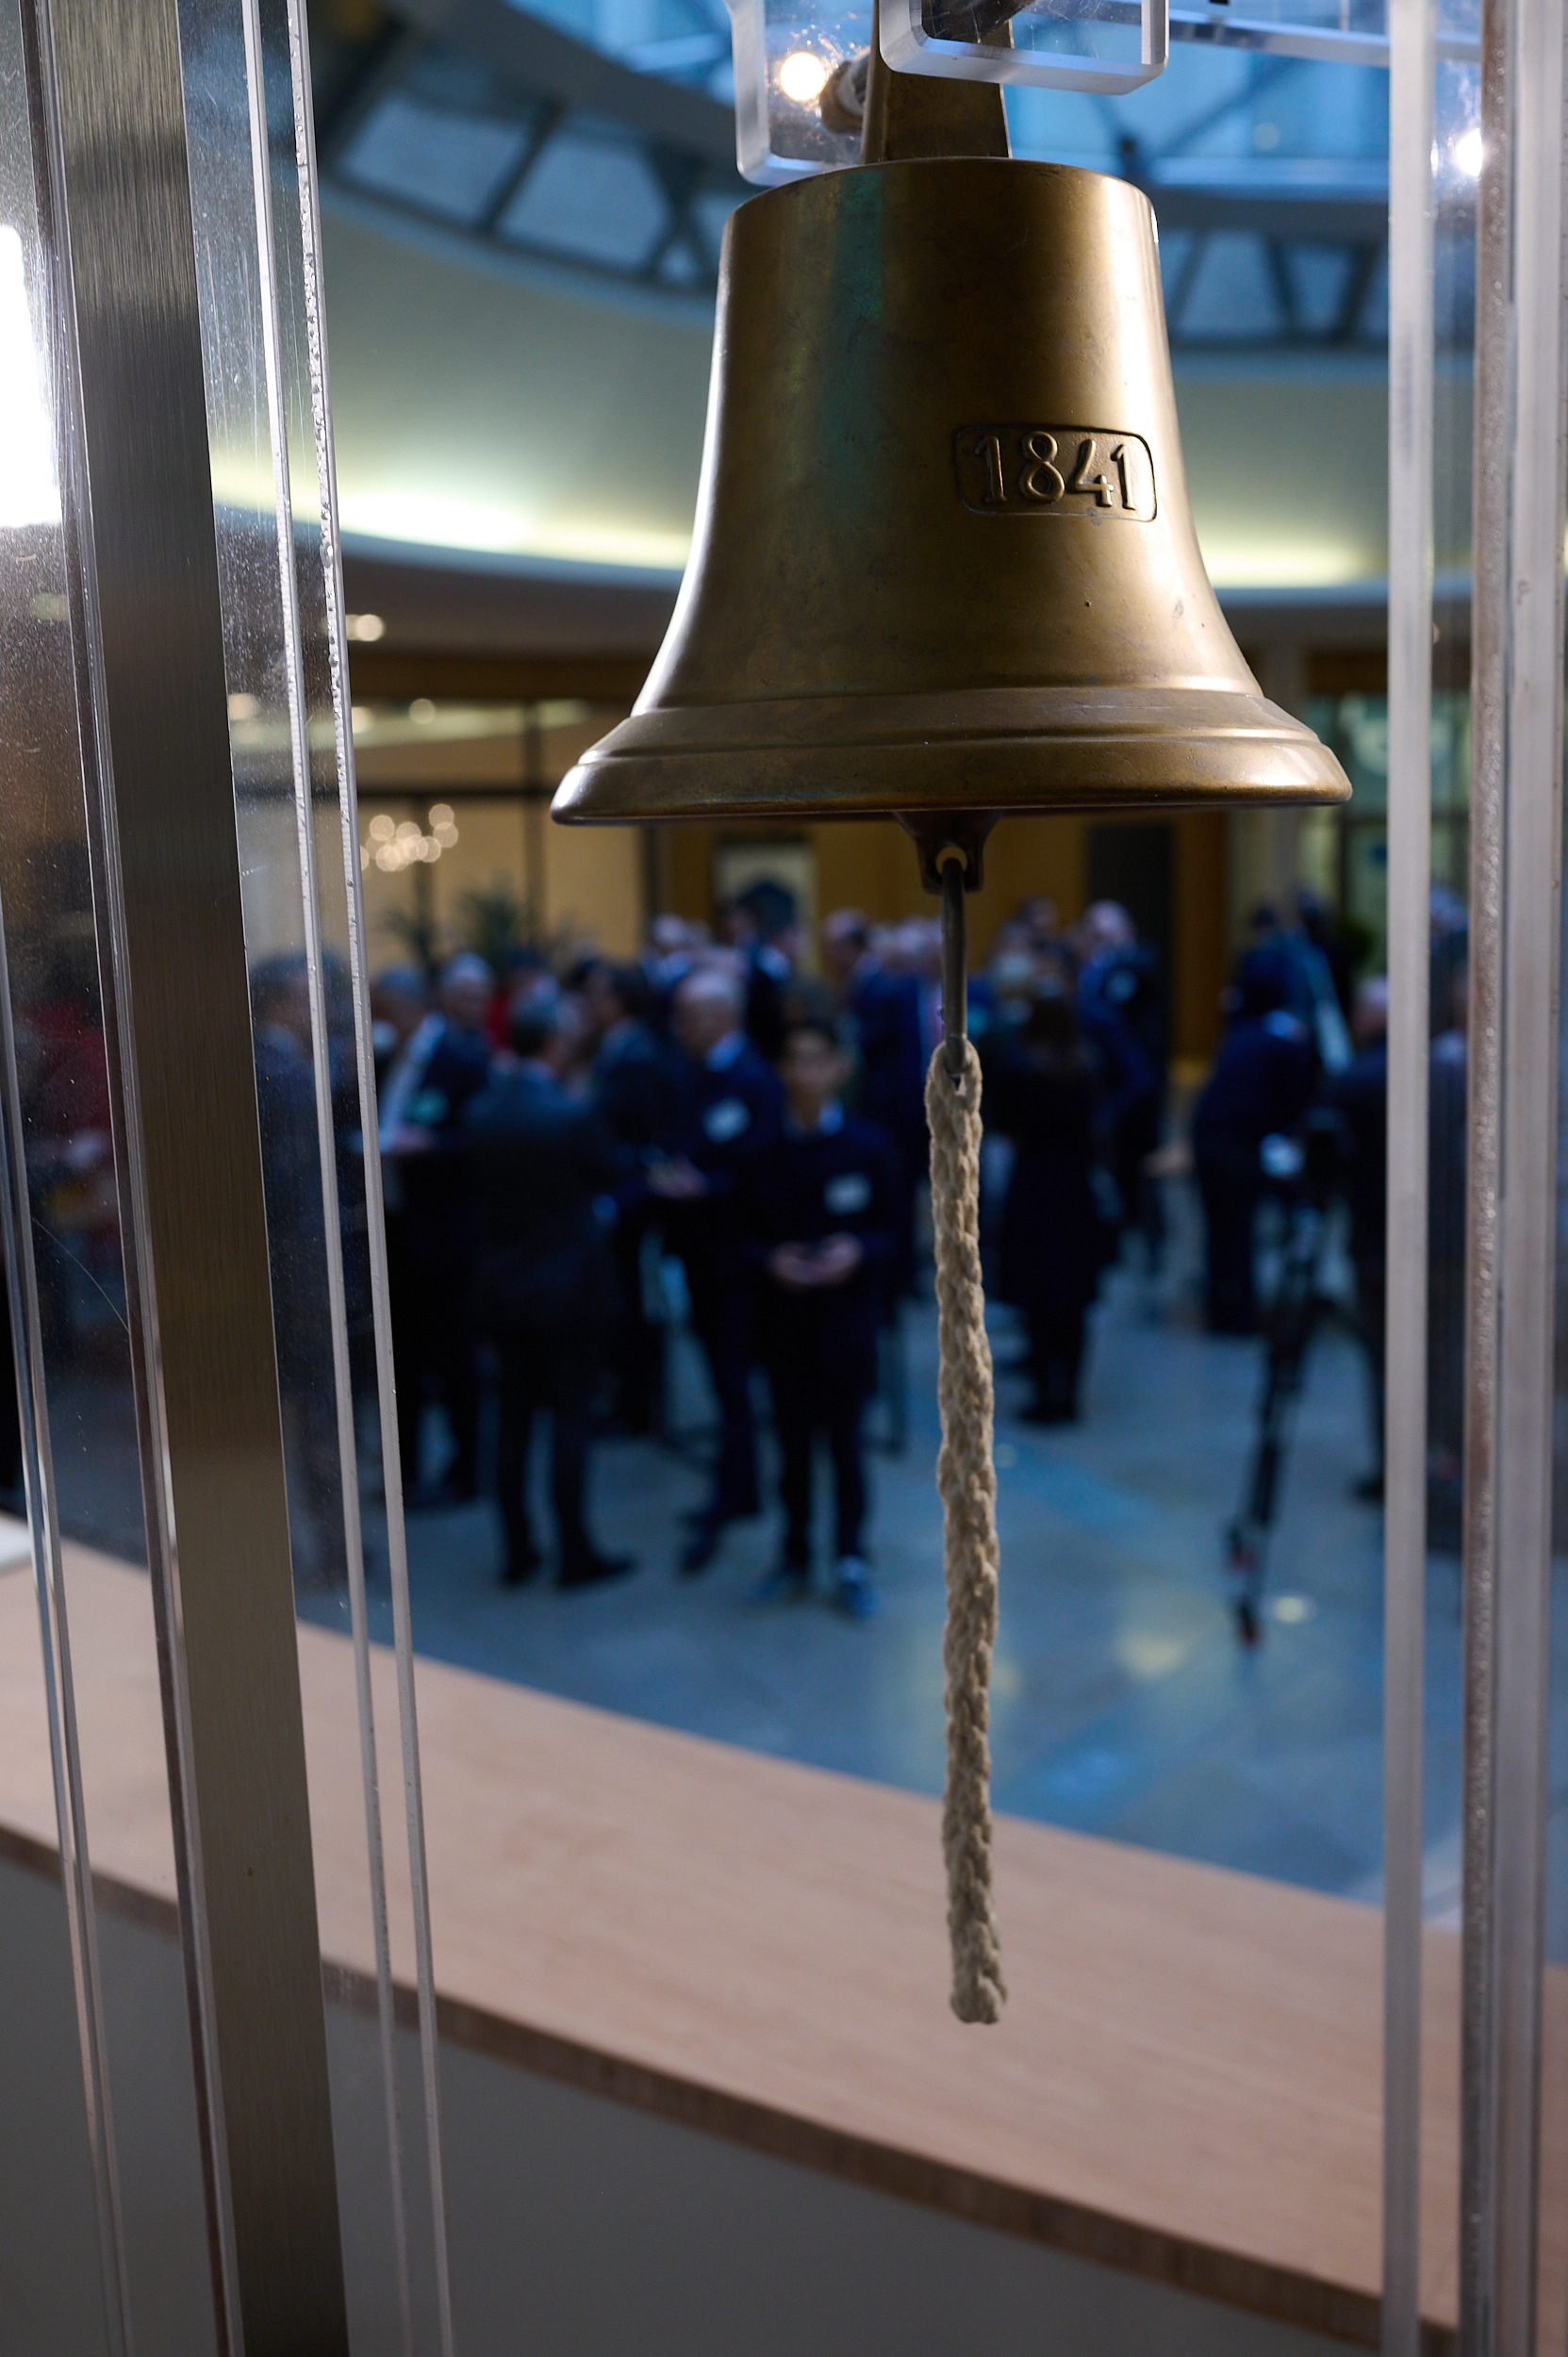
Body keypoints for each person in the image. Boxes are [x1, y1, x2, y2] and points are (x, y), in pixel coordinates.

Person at [464, 998, 635, 1589]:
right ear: (553, 1044)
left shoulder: (482, 1111)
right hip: (569, 1289)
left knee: (511, 1422)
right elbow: (612, 1170)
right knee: (569, 1419)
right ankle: (574, 1551)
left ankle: (517, 1551)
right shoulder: (567, 1114)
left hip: (504, 1287)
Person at [739, 1018, 894, 1614]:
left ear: (838, 1068)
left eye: (816, 1060)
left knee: (847, 1446)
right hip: (783, 1325)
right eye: (795, 1061)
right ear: (781, 1070)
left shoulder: (866, 1146)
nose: (805, 1073)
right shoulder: (760, 1149)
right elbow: (735, 1238)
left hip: (845, 1324)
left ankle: (851, 1557)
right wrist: (771, 1261)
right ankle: (794, 1552)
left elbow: (891, 1236)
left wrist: (856, 1252)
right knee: (791, 1447)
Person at [652, 965, 784, 1572]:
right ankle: (741, 1483)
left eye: (690, 1016)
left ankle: (736, 1490)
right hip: (701, 1249)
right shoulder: (693, 1073)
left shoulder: (752, 1079)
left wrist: (706, 1187)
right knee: (720, 1374)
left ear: (724, 1015)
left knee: (734, 1377)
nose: (680, 1027)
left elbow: (764, 1168)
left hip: (734, 1254)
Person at [379, 952, 494, 1506]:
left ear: (412, 1007)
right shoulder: (385, 1058)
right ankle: (405, 1472)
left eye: (386, 1010)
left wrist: (433, 1145)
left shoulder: (460, 1059)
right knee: (401, 1357)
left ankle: (466, 1470)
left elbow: (483, 1141)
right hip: (397, 1228)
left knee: (454, 1356)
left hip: (445, 1235)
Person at [987, 988, 1108, 1424]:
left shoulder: (1022, 1069)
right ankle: (1070, 1392)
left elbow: (1006, 1124)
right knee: (1073, 1300)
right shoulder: (1086, 1065)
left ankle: (1044, 1390)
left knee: (1037, 1295)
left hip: (1034, 1188)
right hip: (1075, 1190)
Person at [1190, 948, 1318, 1335]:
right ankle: (1239, 1314)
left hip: (1211, 1138)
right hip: (1235, 1145)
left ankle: (1222, 1308)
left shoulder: (1242, 1034)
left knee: (1222, 1231)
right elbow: (1294, 1101)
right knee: (1237, 1231)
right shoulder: (1282, 1040)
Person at [584, 961, 672, 1435]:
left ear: (618, 1000)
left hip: (628, 1193)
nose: (589, 1004)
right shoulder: (618, 1046)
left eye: (598, 995)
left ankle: (637, 1407)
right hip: (618, 1186)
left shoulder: (636, 1053)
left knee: (631, 1301)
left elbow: (627, 1128)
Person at [1075, 900, 1169, 1268]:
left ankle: (1151, 1244)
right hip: (1108, 1083)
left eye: (1107, 935)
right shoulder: (1093, 968)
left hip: (1136, 1083)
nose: (1102, 943)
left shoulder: (1137, 963)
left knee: (1144, 1168)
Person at [1331, 976, 1389, 1500]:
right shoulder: (1430, 1070)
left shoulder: (1356, 1079)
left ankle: (1393, 1467)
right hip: (1420, 1243)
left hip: (1374, 1241)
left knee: (1383, 1359)